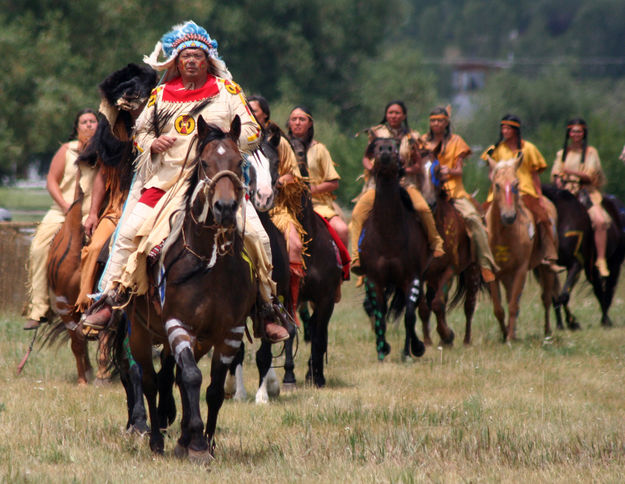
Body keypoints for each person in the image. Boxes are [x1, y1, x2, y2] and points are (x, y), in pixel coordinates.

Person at [82, 21, 289, 343]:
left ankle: (266, 307)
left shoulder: (229, 92)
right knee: (125, 236)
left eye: (197, 56)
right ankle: (111, 298)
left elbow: (252, 130)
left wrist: (224, 143)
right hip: (165, 181)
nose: (191, 61)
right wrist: (153, 144)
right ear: (176, 62)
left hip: (219, 180)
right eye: (185, 56)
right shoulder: (161, 94)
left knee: (259, 239)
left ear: (208, 61)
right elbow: (141, 133)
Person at [349, 101, 445, 275]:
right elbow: (366, 157)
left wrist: (406, 170)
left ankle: (436, 242)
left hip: (405, 183)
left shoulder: (412, 137)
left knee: (423, 208)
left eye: (397, 113)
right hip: (377, 185)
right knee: (357, 214)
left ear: (404, 116)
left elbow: (417, 163)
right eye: (391, 113)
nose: (393, 116)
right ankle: (356, 256)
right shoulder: (377, 133)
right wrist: (371, 168)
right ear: (386, 115)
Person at [23, 109, 99, 330]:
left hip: (93, 214)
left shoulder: (104, 152)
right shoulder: (67, 150)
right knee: (38, 248)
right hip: (61, 212)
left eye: (93, 121)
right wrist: (66, 208)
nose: (88, 125)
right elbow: (51, 181)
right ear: (76, 128)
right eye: (84, 122)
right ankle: (39, 309)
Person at [421, 106, 498, 282]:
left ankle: (485, 265)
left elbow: (458, 170)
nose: (436, 123)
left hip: (453, 190)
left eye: (440, 120)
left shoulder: (457, 141)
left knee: (473, 218)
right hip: (426, 189)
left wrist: (446, 169)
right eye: (433, 120)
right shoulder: (422, 141)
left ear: (446, 122)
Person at [248, 95, 307, 322]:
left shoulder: (279, 141)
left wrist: (279, 181)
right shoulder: (239, 138)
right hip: (244, 204)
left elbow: (295, 174)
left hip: (276, 206)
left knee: (294, 243)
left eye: (255, 110)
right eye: (248, 109)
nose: (251, 113)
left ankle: (289, 306)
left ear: (265, 114)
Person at [481, 114, 564, 273]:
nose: (504, 131)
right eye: (503, 128)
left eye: (508, 128)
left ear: (515, 130)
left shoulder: (529, 149)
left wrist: (539, 196)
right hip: (499, 193)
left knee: (544, 217)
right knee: (480, 217)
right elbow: (491, 173)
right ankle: (480, 257)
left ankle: (549, 255)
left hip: (525, 189)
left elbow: (534, 175)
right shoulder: (495, 149)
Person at [551, 118, 611, 277]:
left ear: (583, 133)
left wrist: (570, 173)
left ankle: (601, 258)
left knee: (600, 220)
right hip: (566, 193)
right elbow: (556, 173)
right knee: (547, 218)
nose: (575, 134)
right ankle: (549, 256)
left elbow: (590, 175)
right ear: (569, 133)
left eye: (579, 131)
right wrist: (559, 182)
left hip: (585, 192)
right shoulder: (561, 153)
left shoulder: (591, 152)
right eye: (572, 131)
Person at [287, 106, 349, 249]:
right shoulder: (282, 147)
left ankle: (343, 269)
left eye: (302, 119)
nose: (297, 122)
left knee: (342, 229)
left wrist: (309, 191)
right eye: (293, 119)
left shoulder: (319, 149)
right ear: (289, 123)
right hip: (288, 205)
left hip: (318, 205)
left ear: (310, 124)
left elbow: (333, 182)